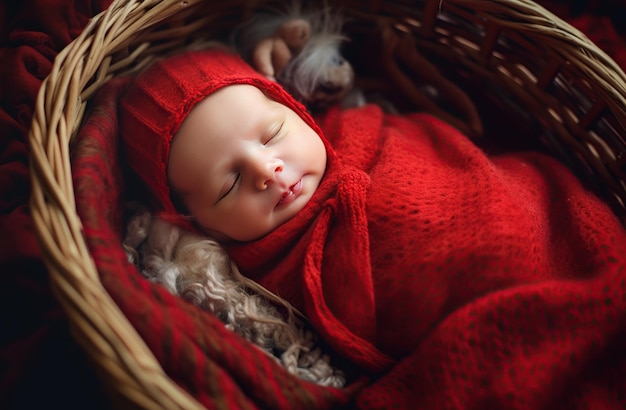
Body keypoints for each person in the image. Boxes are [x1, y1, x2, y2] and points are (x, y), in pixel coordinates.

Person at [119, 47, 626, 375]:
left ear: (297, 110)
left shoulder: (358, 128)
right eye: (229, 184)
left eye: (273, 134)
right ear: (194, 223)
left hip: (525, 213)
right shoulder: (255, 283)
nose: (267, 171)